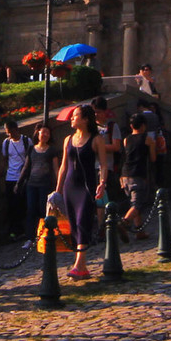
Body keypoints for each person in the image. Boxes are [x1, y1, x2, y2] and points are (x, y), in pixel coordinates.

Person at [54, 104, 105, 280]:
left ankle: (78, 264)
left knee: (83, 221)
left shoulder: (96, 139)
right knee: (74, 225)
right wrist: (57, 190)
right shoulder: (68, 139)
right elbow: (63, 167)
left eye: (75, 116)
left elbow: (104, 165)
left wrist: (102, 183)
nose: (72, 118)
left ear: (85, 119)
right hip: (70, 186)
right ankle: (82, 266)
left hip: (86, 186)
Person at [120, 114, 159, 236]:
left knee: (133, 202)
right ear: (143, 126)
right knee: (137, 204)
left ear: (131, 126)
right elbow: (153, 158)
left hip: (125, 174)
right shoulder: (147, 139)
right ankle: (123, 223)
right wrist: (153, 147)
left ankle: (139, 230)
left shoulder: (126, 139)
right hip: (138, 174)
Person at [24, 122, 59, 243]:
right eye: (43, 132)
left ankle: (44, 235)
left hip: (45, 184)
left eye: (47, 133)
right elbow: (26, 166)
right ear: (38, 133)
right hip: (32, 184)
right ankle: (30, 237)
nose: (45, 135)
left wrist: (58, 184)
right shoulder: (31, 149)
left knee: (43, 210)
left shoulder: (52, 150)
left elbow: (56, 168)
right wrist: (19, 182)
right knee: (30, 209)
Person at [0, 119, 33, 241]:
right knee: (11, 205)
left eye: (10, 132)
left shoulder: (26, 141)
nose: (9, 135)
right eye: (7, 133)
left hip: (22, 177)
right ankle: (14, 229)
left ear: (16, 130)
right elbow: (4, 160)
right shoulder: (6, 143)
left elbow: (30, 158)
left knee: (22, 204)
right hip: (10, 177)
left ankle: (23, 229)